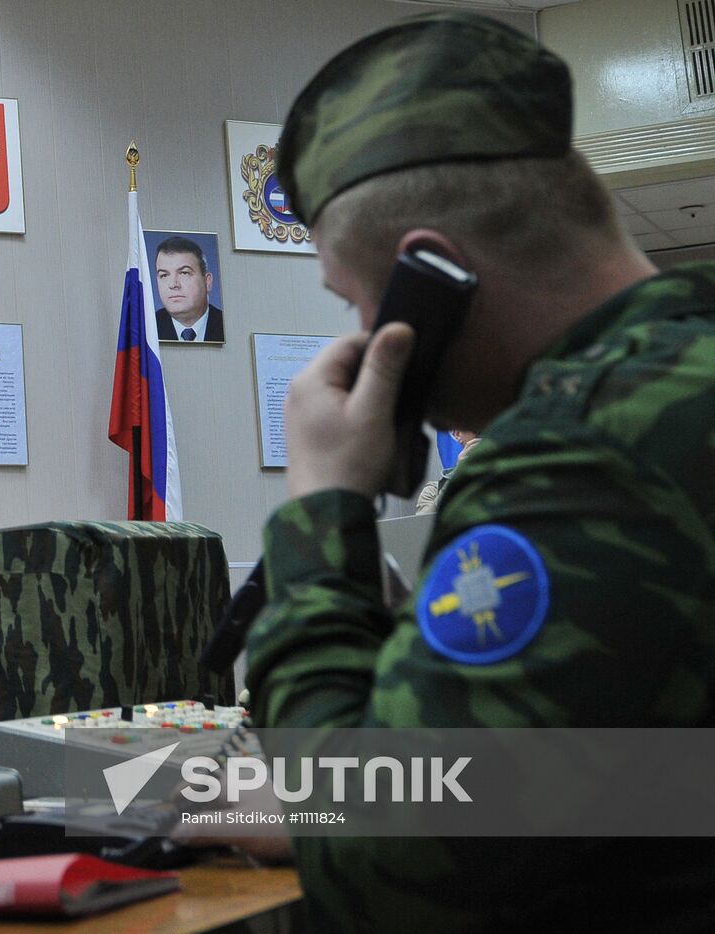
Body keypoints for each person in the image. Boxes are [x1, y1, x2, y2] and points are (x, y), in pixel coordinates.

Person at [238, 11, 715, 932]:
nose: (361, 333)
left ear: (432, 275)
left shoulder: (584, 454)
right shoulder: (679, 386)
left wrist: (323, 505)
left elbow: (388, 879)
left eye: (355, 298)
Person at [153, 236, 223, 342]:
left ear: (207, 281)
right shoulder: (146, 328)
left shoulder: (227, 325)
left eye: (184, 273)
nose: (173, 284)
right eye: (164, 275)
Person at [414, 429, 479, 514]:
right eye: (477, 430)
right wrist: (457, 476)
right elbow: (421, 524)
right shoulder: (434, 490)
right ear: (458, 434)